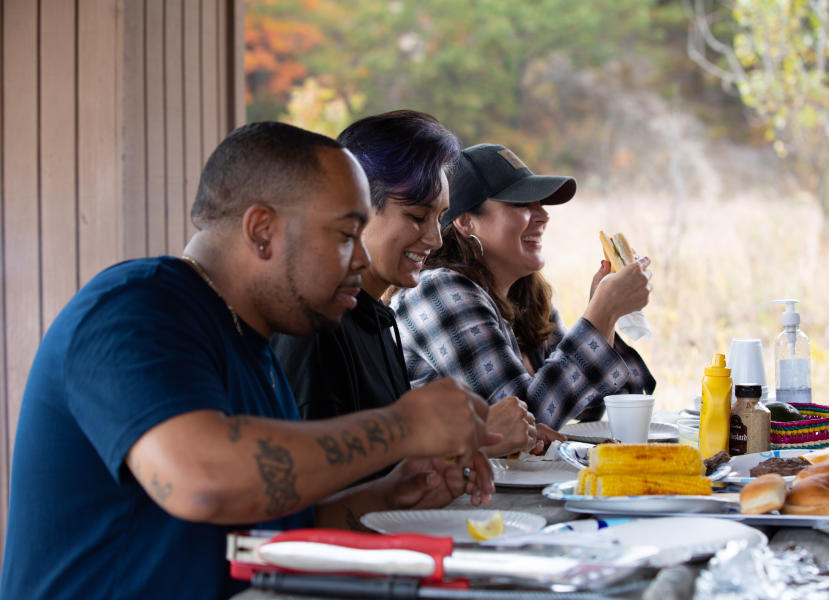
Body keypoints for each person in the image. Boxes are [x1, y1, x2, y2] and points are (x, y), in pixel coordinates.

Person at [0, 122, 496, 600]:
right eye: (347, 234)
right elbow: (202, 481)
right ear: (262, 230)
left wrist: (391, 496)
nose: (361, 260)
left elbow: (268, 530)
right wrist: (400, 426)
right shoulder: (134, 308)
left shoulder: (253, 342)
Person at [272, 111, 557, 458]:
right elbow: (319, 488)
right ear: (353, 207)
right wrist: (474, 440)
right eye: (418, 217)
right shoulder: (315, 329)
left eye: (440, 217)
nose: (436, 240)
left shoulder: (377, 319)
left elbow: (389, 466)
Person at [390, 143, 656, 429]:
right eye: (520, 204)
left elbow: (611, 400)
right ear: (466, 222)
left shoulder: (525, 295)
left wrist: (607, 315)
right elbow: (522, 425)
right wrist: (601, 311)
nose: (543, 215)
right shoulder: (437, 292)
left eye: (539, 203)